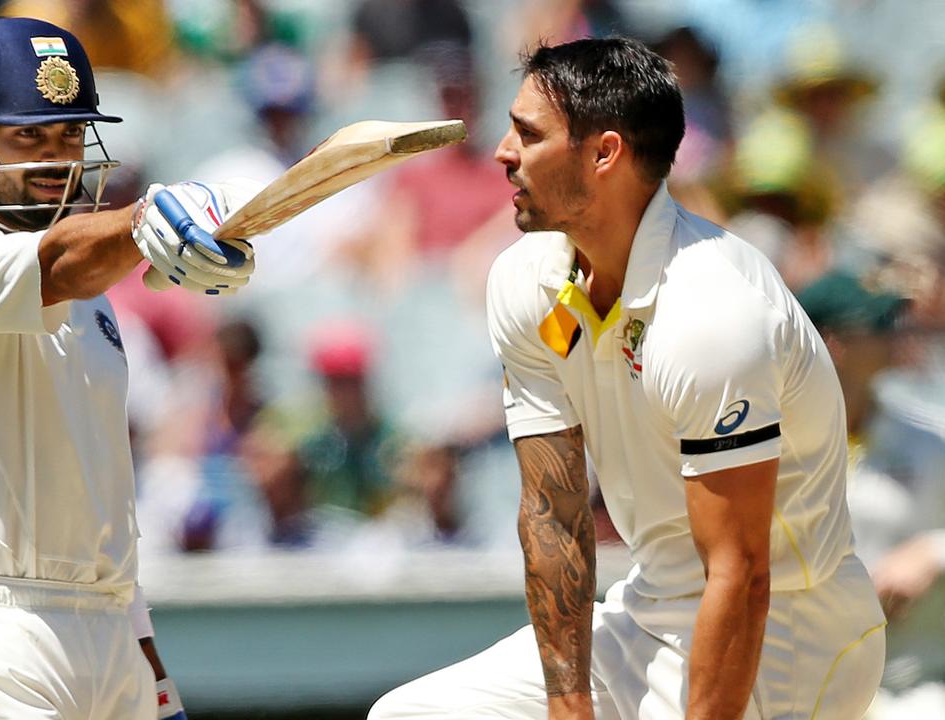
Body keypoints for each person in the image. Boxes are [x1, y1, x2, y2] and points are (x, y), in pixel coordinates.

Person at [369, 37, 885, 719]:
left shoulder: (714, 312)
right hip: (644, 613)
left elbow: (743, 574)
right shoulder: (526, 281)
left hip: (792, 635)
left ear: (604, 153)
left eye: (528, 133)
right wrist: (568, 704)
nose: (502, 151)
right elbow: (553, 515)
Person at [0, 17, 259, 719]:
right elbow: (54, 262)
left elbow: (101, 506)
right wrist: (148, 219)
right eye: (29, 137)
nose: (57, 160)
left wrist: (150, 669)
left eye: (71, 136)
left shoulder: (97, 305)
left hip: (108, 630)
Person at [797, 270, 945, 720]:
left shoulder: (934, 438)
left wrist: (935, 553)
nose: (894, 335)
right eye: (877, 324)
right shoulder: (765, 445)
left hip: (910, 690)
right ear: (831, 342)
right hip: (794, 693)